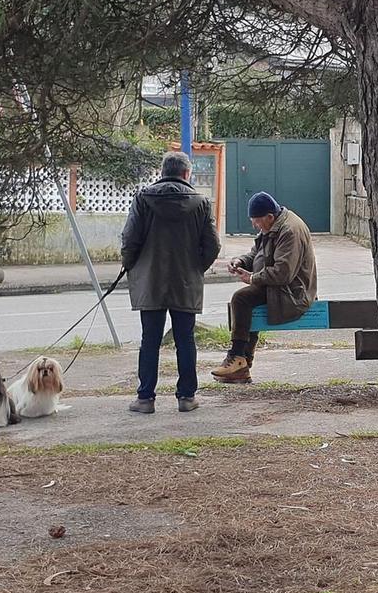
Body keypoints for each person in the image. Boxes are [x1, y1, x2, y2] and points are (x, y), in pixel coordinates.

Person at [119, 151, 220, 414]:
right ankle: (186, 397)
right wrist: (197, 267)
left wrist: (131, 265)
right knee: (185, 340)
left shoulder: (143, 198)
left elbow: (130, 239)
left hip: (150, 282)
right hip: (186, 282)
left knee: (149, 340)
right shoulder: (201, 202)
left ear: (162, 172)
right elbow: (212, 245)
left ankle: (145, 398)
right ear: (187, 174)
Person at [212, 191, 317, 384]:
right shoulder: (272, 225)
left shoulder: (289, 231)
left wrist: (253, 278)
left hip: (293, 292)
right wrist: (241, 261)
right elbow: (257, 253)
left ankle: (237, 357)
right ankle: (242, 363)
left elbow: (283, 273)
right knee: (247, 300)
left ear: (269, 216)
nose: (254, 226)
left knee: (241, 298)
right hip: (276, 286)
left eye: (257, 221)